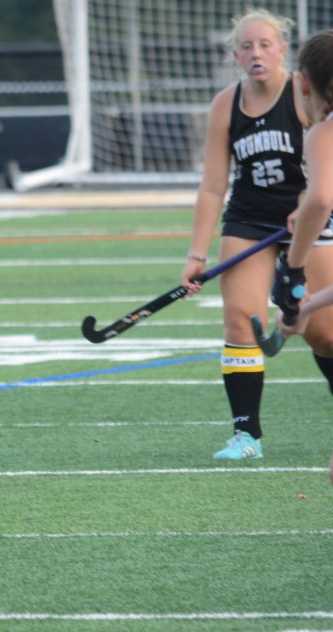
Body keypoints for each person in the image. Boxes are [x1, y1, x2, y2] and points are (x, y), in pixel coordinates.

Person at [181, 9, 333, 462]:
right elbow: (212, 185)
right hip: (248, 221)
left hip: (306, 220)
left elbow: (322, 180)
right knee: (240, 318)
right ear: (235, 55)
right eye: (246, 46)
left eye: (265, 44)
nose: (256, 53)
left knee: (323, 332)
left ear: (283, 51)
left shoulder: (306, 97)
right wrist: (196, 252)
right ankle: (246, 435)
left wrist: (303, 206)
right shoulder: (225, 105)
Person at [273, 29, 333, 367]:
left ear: (305, 83)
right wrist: (306, 307)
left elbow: (321, 200)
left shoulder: (324, 133)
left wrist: (291, 269)